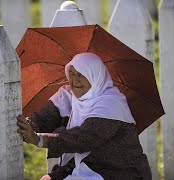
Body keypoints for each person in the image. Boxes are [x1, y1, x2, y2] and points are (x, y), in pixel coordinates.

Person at [16, 52, 152, 180]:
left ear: (94, 75)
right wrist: (26, 126)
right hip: (82, 167)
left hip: (119, 172)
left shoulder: (110, 104)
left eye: (81, 74)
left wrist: (39, 139)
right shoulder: (68, 96)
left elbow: (83, 138)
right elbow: (45, 118)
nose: (75, 80)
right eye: (71, 74)